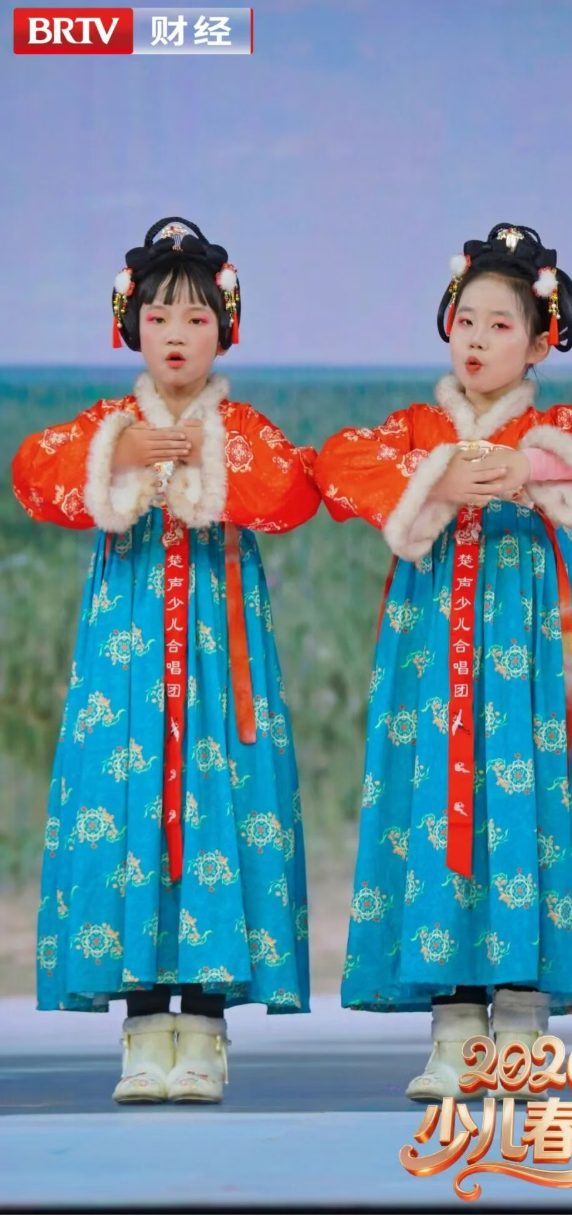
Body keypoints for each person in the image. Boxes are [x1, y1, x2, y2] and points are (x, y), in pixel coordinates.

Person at [314, 223, 572, 1101]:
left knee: (529, 800)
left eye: (500, 325)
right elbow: (338, 465)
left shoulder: (555, 428)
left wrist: (526, 464)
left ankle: (520, 1027)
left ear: (540, 343)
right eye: (465, 319)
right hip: (435, 652)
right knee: (439, 798)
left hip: (530, 650)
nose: (475, 338)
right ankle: (454, 1028)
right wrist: (435, 477)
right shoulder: (420, 427)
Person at [12, 217, 319, 1104]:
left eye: (194, 318)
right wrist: (120, 454)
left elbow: (293, 491)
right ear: (130, 327)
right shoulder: (109, 425)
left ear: (225, 329)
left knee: (217, 801)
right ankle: (144, 1029)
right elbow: (34, 474)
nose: (175, 334)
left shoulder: (240, 425)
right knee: (129, 803)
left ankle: (206, 1029)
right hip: (130, 658)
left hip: (221, 658)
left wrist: (207, 455)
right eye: (156, 318)